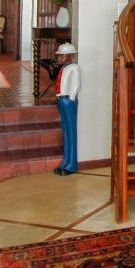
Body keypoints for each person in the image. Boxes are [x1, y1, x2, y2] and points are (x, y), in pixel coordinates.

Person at [53, 42, 79, 176]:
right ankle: (66, 161)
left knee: (71, 131)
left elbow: (76, 84)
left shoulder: (74, 68)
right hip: (61, 99)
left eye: (62, 56)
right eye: (59, 56)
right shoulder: (64, 68)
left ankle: (71, 164)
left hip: (68, 100)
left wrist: (71, 98)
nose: (59, 58)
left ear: (70, 56)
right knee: (65, 132)